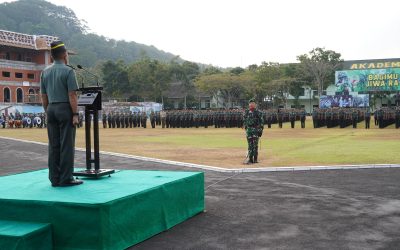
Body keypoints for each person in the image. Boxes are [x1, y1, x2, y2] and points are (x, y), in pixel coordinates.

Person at [40, 40, 83, 187]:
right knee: (67, 145)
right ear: (64, 54)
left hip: (51, 108)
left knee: (53, 145)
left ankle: (54, 178)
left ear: (51, 56)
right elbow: (72, 95)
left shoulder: (45, 72)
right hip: (65, 109)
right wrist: (75, 114)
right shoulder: (68, 71)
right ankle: (66, 178)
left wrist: (47, 111)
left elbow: (43, 97)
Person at [243, 99, 264, 164]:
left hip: (256, 130)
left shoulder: (258, 112)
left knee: (255, 145)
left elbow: (262, 122)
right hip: (249, 131)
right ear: (249, 104)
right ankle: (250, 159)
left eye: (253, 103)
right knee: (250, 145)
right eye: (250, 103)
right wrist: (246, 129)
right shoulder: (246, 112)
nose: (251, 104)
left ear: (255, 104)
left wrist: (260, 130)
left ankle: (255, 159)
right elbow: (244, 121)